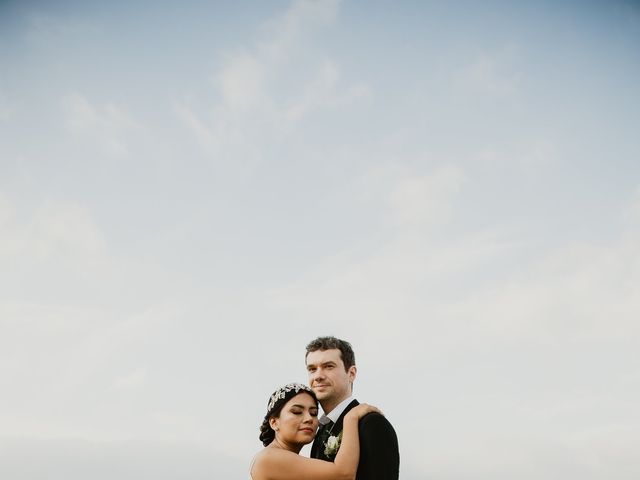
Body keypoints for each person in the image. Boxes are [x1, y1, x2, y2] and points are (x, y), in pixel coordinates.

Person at [306, 336, 400, 480]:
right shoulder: (320, 430)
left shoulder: (372, 424)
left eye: (328, 366)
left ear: (351, 373)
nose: (318, 376)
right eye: (312, 369)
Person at [250, 382, 381, 480]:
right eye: (296, 412)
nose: (309, 419)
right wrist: (351, 418)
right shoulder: (269, 459)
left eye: (313, 413)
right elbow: (344, 474)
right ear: (274, 422)